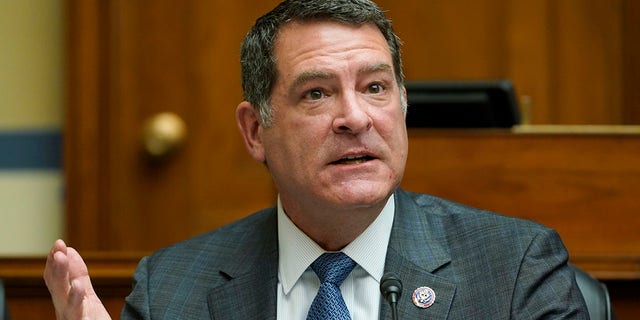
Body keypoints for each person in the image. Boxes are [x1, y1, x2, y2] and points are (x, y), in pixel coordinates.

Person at [44, 0, 589, 319]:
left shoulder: (515, 269)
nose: (355, 117)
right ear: (256, 130)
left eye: (375, 87)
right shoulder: (172, 288)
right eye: (317, 94)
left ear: (402, 107)